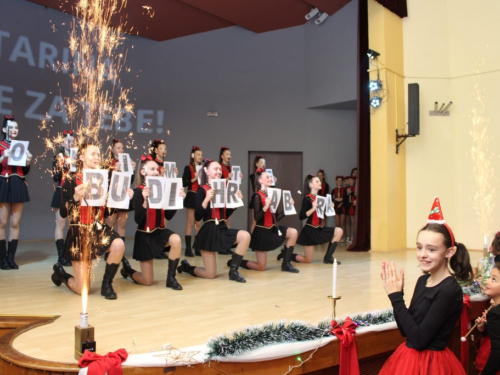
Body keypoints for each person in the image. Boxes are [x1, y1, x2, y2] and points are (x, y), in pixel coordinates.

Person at [379, 197, 473, 374]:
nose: (422, 255)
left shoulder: (449, 290)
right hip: (408, 359)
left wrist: (396, 298)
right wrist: (396, 295)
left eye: (431, 249)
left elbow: (419, 340)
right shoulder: (423, 281)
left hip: (433, 364)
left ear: (449, 252)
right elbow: (405, 331)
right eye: (419, 247)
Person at [51, 143, 132, 300]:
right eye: (92, 154)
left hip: (98, 230)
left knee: (118, 244)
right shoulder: (72, 180)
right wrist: (75, 198)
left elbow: (108, 213)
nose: (96, 157)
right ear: (81, 157)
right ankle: (61, 275)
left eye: (98, 154)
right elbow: (62, 212)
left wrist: (122, 199)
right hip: (79, 233)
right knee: (83, 289)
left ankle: (107, 284)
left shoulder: (103, 180)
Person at [177, 159, 250, 283]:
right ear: (206, 171)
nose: (219, 172)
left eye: (220, 169)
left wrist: (235, 203)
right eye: (215, 169)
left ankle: (233, 271)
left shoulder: (224, 189)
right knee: (210, 274)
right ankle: (187, 267)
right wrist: (206, 199)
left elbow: (225, 215)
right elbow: (198, 216)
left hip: (222, 228)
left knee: (245, 236)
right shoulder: (201, 190)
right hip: (209, 231)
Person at [120, 155, 183, 290]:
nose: (156, 171)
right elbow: (138, 220)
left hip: (159, 233)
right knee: (147, 281)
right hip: (144, 237)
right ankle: (128, 271)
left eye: (157, 169)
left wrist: (177, 200)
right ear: (143, 172)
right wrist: (144, 201)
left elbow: (168, 216)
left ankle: (171, 278)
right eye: (152, 169)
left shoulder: (163, 189)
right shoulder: (138, 192)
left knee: (176, 239)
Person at [240, 168, 299, 273]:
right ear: (260, 181)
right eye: (267, 177)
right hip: (262, 232)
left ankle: (286, 263)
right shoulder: (257, 196)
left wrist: (287, 208)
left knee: (293, 232)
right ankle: (239, 262)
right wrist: (266, 206)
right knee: (261, 267)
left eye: (270, 177)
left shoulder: (272, 195)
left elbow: (275, 218)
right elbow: (256, 218)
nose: (270, 179)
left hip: (272, 229)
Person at [0, 116, 32, 270]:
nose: (14, 130)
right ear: (4, 129)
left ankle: (11, 258)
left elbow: (24, 170)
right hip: (3, 183)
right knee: (2, 223)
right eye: (11, 127)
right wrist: (2, 157)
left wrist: (27, 162)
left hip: (18, 182)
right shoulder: (0, 145)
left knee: (15, 223)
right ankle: (2, 258)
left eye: (16, 128)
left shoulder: (21, 146)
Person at [288, 174, 343, 264]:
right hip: (309, 231)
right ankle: (287, 255)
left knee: (339, 231)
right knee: (308, 260)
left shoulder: (320, 199)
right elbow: (301, 216)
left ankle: (328, 257)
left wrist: (330, 207)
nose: (320, 182)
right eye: (317, 181)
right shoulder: (307, 199)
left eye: (319, 181)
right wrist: (313, 208)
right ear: (311, 185)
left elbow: (321, 214)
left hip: (319, 229)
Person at [50, 130, 75, 267]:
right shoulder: (57, 158)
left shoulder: (77, 157)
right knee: (60, 225)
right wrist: (64, 164)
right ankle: (61, 256)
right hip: (61, 192)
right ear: (63, 143)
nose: (71, 144)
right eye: (68, 141)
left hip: (74, 193)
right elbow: (56, 177)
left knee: (73, 225)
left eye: (73, 141)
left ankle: (68, 254)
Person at [104, 138, 136, 245]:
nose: (121, 150)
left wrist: (133, 170)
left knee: (121, 225)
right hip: (112, 196)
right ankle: (109, 250)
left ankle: (120, 253)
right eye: (118, 148)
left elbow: (129, 181)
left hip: (123, 195)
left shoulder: (126, 162)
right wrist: (115, 170)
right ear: (112, 150)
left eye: (122, 148)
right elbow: (106, 182)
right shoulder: (107, 163)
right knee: (110, 224)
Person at [474, 257, 500, 375]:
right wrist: (484, 329)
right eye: (489, 277)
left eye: (494, 279)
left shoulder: (494, 314)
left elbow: (497, 351)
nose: (488, 282)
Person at [218, 146, 243, 255]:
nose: (229, 156)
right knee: (222, 220)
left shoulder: (232, 168)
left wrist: (239, 178)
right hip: (222, 195)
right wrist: (227, 178)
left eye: (230, 154)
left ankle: (226, 245)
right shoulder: (219, 167)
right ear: (222, 156)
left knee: (228, 220)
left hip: (230, 194)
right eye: (227, 154)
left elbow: (234, 182)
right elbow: (217, 181)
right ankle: (221, 246)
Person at [182, 146, 203, 257]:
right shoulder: (188, 167)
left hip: (200, 196)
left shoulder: (203, 168)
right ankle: (188, 248)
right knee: (190, 222)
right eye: (198, 154)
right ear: (193, 156)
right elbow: (184, 183)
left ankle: (197, 247)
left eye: (201, 155)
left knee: (198, 223)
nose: (200, 157)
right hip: (191, 195)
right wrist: (194, 178)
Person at [249, 155, 276, 233]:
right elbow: (255, 188)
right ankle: (253, 239)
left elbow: (270, 189)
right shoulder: (254, 175)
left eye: (264, 163)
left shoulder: (266, 175)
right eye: (261, 163)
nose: (263, 164)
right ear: (256, 164)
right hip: (258, 198)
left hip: (265, 198)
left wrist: (273, 182)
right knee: (255, 221)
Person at [331, 176, 345, 240]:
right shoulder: (334, 190)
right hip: (336, 206)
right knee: (337, 223)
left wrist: (342, 201)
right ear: (336, 182)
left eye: (340, 180)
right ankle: (336, 237)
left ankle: (342, 237)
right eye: (338, 180)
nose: (339, 181)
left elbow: (346, 198)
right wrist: (335, 199)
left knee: (342, 223)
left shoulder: (344, 189)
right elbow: (331, 198)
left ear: (342, 182)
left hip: (343, 206)